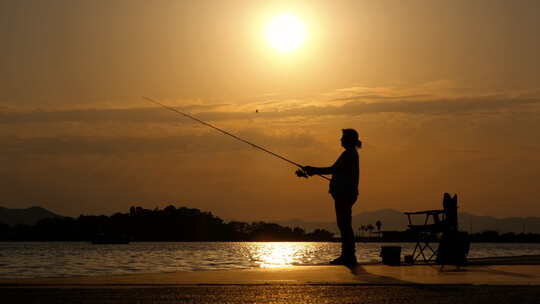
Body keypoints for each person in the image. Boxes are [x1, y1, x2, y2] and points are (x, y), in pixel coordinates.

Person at [299, 129, 361, 265]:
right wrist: (313, 171)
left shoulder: (349, 154)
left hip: (344, 194)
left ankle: (348, 256)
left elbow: (333, 169)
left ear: (349, 140)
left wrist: (313, 170)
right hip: (345, 193)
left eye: (343, 138)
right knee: (344, 224)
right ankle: (348, 255)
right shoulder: (350, 154)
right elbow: (337, 171)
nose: (340, 140)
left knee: (344, 224)